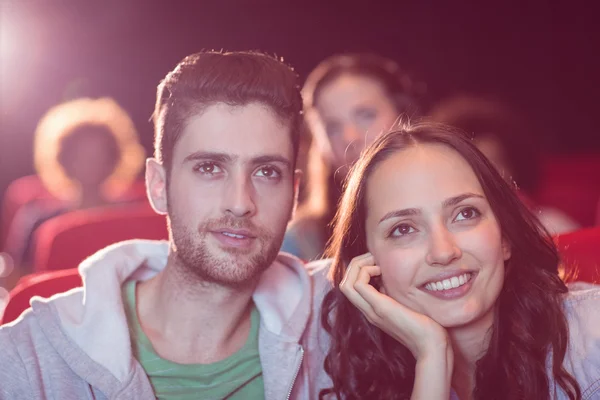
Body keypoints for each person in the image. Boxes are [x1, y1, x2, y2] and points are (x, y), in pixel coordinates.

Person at [0, 51, 331, 399]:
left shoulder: (338, 329)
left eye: (267, 172)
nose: (240, 202)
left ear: (293, 195)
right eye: (209, 167)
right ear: (158, 186)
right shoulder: (27, 359)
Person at [320, 122, 599, 399]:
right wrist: (432, 356)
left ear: (505, 237)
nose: (444, 252)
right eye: (403, 229)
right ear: (368, 265)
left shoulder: (593, 334)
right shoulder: (362, 377)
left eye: (465, 214)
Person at [282, 53, 425, 260]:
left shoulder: (460, 204)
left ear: (405, 114)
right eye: (332, 128)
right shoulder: (300, 244)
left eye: (366, 115)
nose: (350, 137)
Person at [3, 97, 146, 270]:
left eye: (98, 155)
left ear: (113, 159)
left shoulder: (134, 216)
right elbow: (20, 280)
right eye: (81, 155)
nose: (90, 164)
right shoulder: (38, 220)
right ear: (64, 159)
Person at [431, 94, 580, 234]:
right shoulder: (444, 237)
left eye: (497, 163)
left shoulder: (552, 225)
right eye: (475, 167)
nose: (489, 177)